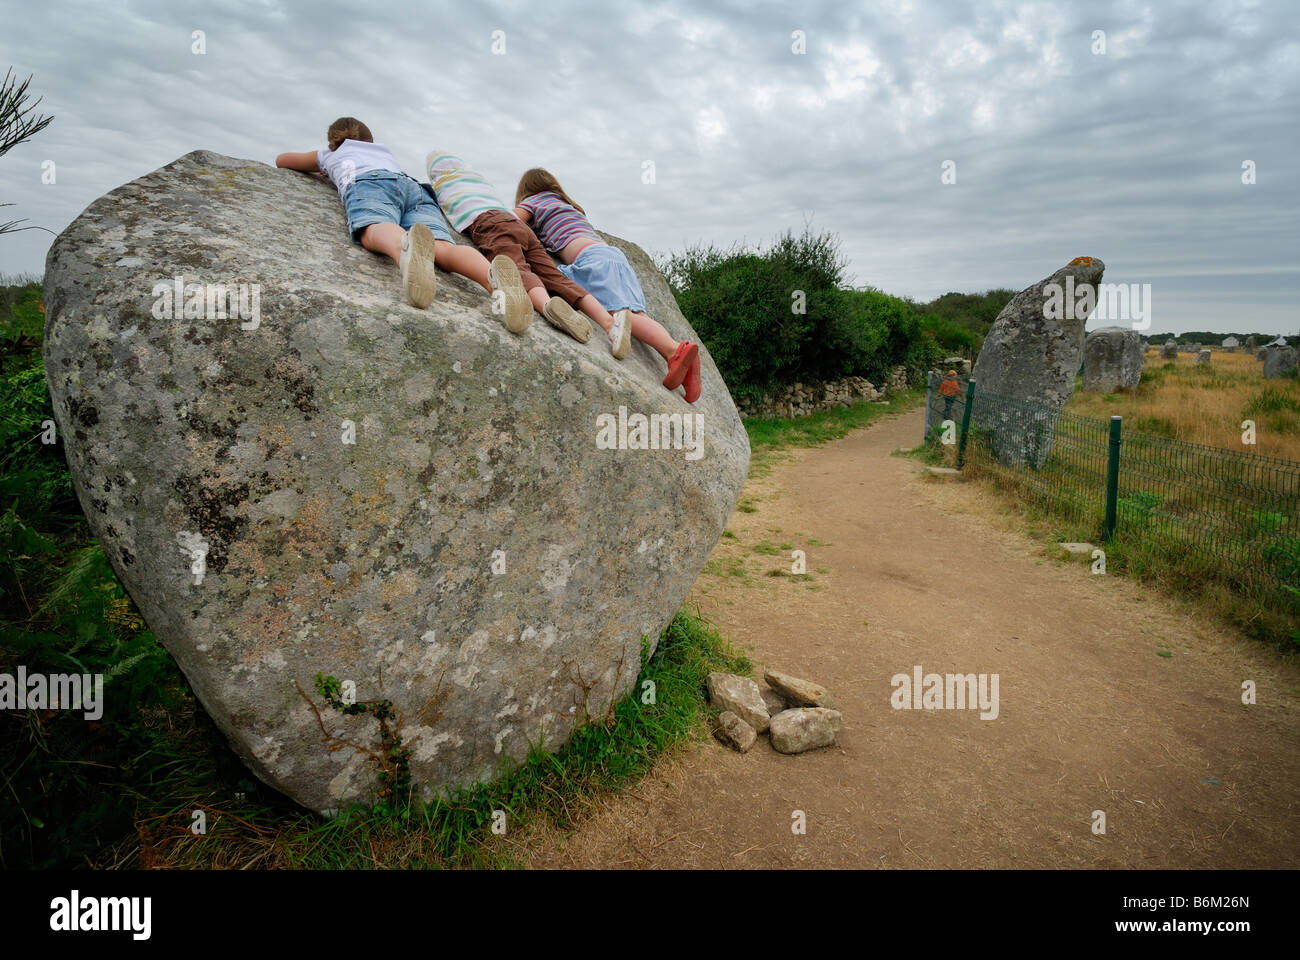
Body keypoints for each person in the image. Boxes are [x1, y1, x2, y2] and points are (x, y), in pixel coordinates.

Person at [275, 117, 529, 326]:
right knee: (442, 248)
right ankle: (491, 279)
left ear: (333, 140)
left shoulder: (330, 154)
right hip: (414, 188)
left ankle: (403, 248)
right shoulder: (383, 151)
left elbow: (282, 160)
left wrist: (324, 166)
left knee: (373, 227)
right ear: (369, 139)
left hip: (370, 182)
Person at [514, 168, 702, 403]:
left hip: (591, 259)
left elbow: (512, 221)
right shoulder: (570, 206)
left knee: (618, 315)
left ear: (526, 190)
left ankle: (674, 350)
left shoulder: (533, 202)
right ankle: (679, 360)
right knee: (636, 312)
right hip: (614, 256)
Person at [425, 148, 594, 341]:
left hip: (489, 221)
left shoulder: (442, 185)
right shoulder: (479, 179)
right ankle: (606, 321)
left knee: (517, 269)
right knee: (553, 275)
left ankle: (546, 305)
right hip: (517, 224)